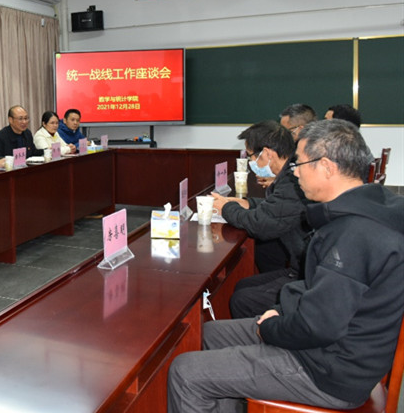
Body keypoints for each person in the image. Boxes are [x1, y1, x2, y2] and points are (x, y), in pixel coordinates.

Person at [168, 119, 404, 413]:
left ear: (327, 167)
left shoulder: (354, 234)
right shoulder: (369, 206)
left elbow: (318, 326)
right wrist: (281, 312)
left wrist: (271, 328)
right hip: (329, 347)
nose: (294, 172)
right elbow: (322, 296)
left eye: (300, 163)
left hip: (328, 370)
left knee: (186, 372)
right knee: (212, 334)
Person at [210, 121, 312, 316]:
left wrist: (226, 208)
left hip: (306, 275)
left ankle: (261, 332)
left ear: (267, 153)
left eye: (251, 156)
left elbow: (260, 225)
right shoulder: (289, 173)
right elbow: (277, 208)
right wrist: (247, 203)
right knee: (243, 286)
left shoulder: (293, 181)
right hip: (300, 265)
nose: (251, 162)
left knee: (243, 299)